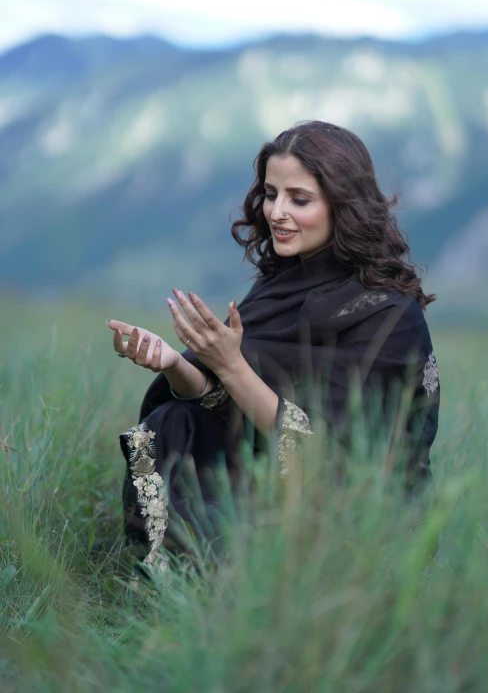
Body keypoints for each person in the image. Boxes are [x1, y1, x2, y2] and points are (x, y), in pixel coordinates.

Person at [106, 121, 440, 569]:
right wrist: (174, 364)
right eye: (270, 193)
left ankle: (244, 578)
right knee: (174, 420)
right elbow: (226, 403)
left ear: (344, 206)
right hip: (275, 475)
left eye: (298, 199)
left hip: (354, 513)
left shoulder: (391, 317)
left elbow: (329, 456)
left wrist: (231, 365)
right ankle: (176, 570)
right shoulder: (280, 286)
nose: (276, 211)